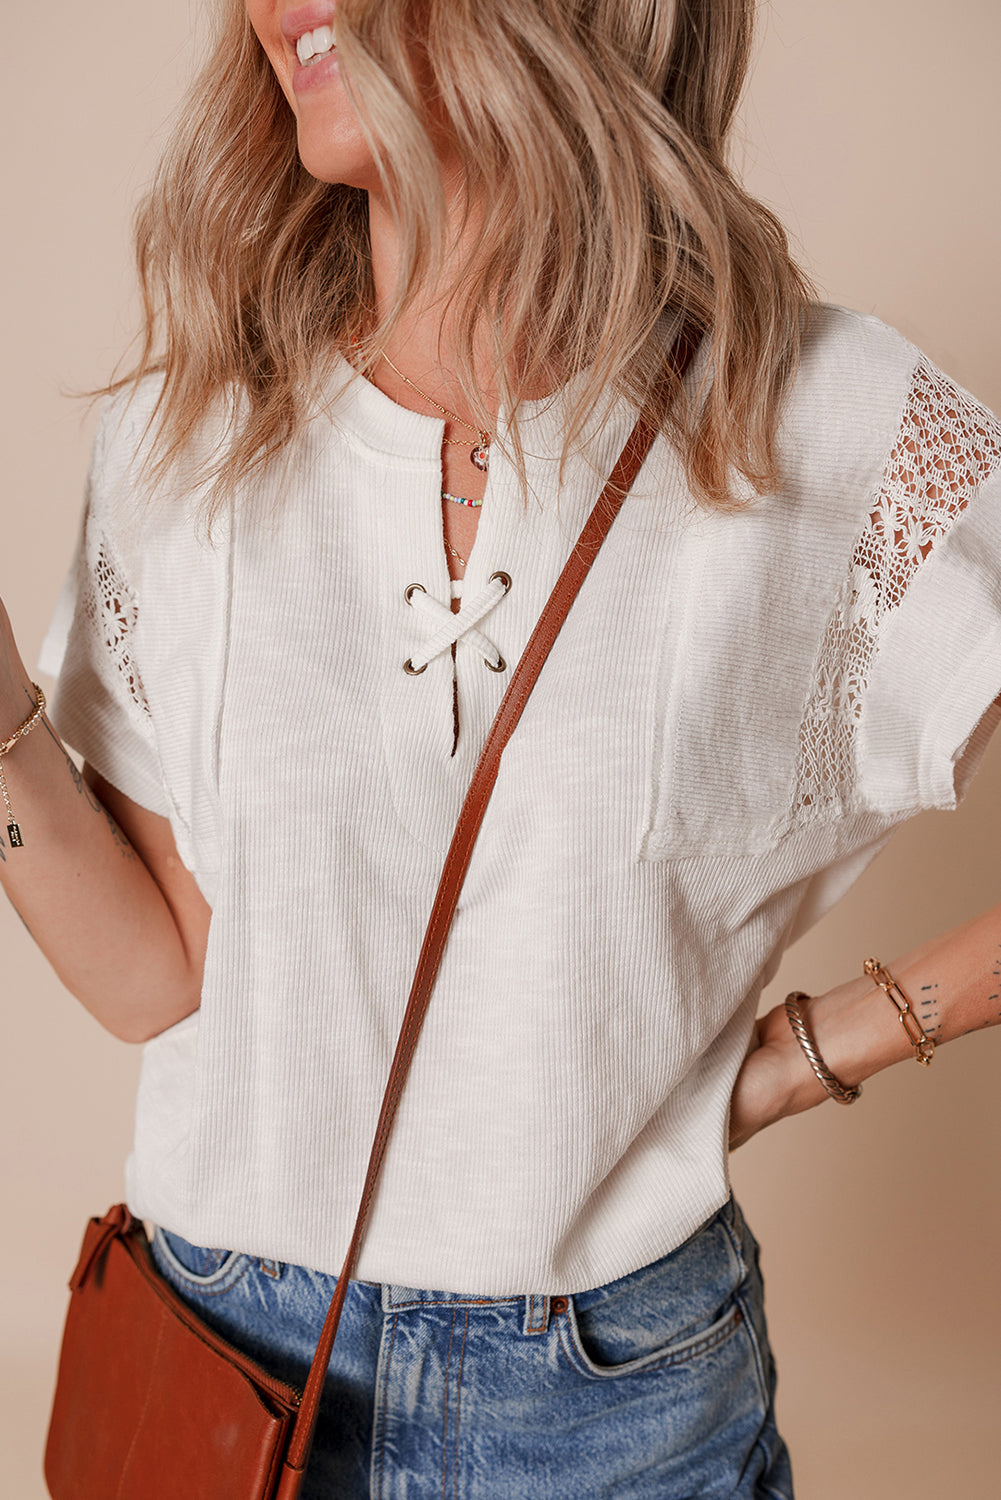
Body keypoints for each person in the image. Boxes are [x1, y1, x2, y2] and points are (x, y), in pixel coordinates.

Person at [2, 1, 999, 1495]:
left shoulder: (797, 414)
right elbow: (161, 974)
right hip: (228, 1363)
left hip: (615, 1400)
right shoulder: (189, 425)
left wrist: (821, 1050)